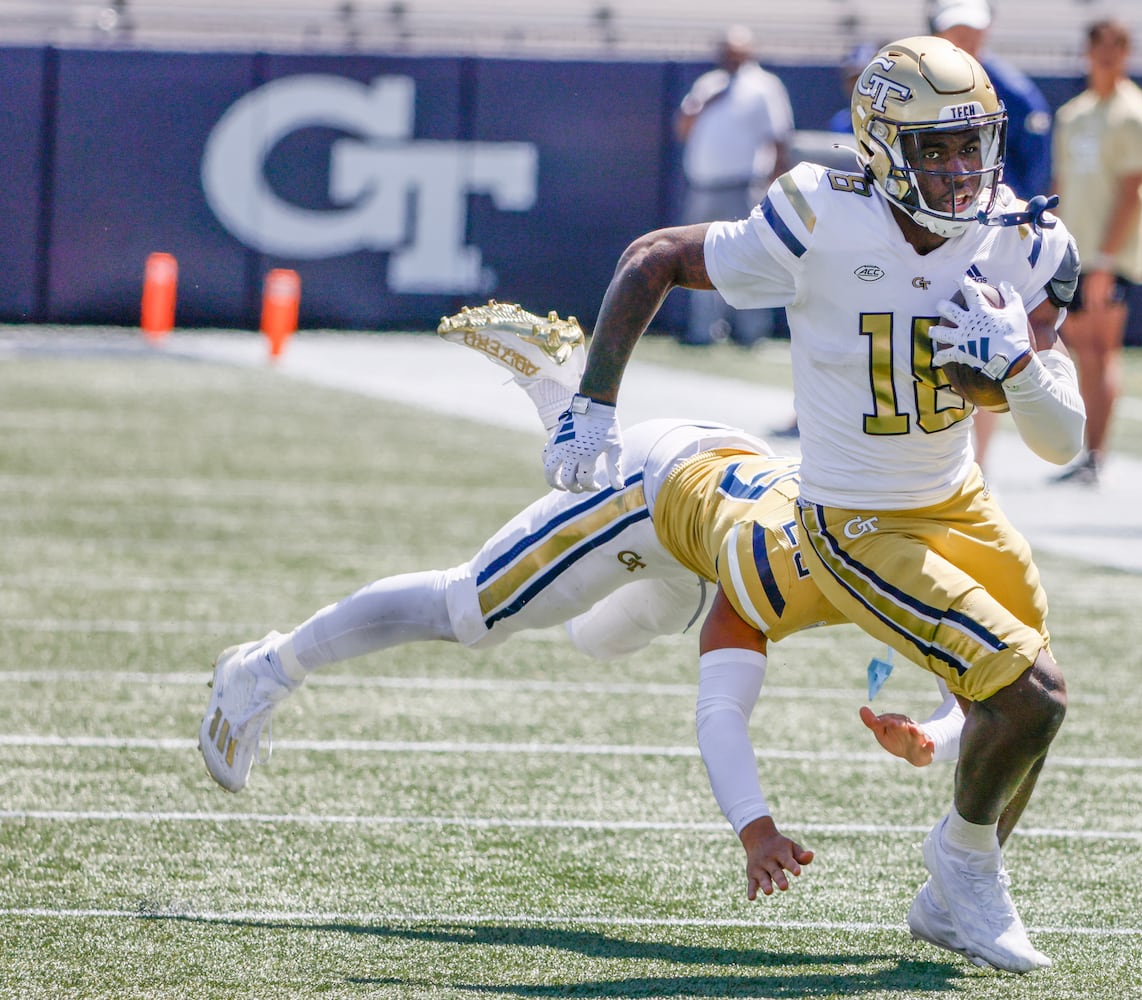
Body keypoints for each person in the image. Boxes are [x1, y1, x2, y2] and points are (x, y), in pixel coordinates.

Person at [541, 36, 1086, 973]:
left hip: (958, 500)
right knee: (1031, 696)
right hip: (853, 519)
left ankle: (955, 886)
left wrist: (1022, 367)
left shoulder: (1022, 239)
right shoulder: (819, 216)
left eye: (972, 145)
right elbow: (655, 256)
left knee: (1024, 712)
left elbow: (1063, 441)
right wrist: (591, 403)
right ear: (879, 148)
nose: (960, 172)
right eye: (934, 149)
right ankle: (964, 871)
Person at [198, 302, 965, 903]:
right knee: (469, 610)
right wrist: (755, 829)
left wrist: (936, 734)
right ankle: (265, 668)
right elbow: (720, 710)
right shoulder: (773, 573)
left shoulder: (907, 552)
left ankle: (563, 400)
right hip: (653, 494)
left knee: (603, 639)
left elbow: (975, 682)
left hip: (718, 489)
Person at [927, 0, 1055, 469]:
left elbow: (1035, 167)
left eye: (971, 29)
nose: (965, 39)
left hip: (985, 233)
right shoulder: (919, 86)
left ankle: (977, 464)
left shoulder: (1013, 90)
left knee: (983, 347)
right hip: (926, 231)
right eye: (955, 28)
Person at [1050, 18, 1142, 485]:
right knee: (1080, 353)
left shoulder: (1134, 113)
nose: (1107, 57)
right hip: (1073, 250)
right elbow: (1060, 184)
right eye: (1100, 48)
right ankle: (1083, 453)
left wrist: (1106, 260)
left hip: (1106, 258)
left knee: (1102, 350)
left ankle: (1096, 455)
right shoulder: (1073, 114)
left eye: (1117, 48)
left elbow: (1135, 189)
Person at [675, 25, 793, 347]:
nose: (729, 57)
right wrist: (703, 104)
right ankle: (703, 331)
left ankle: (750, 333)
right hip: (703, 185)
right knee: (698, 259)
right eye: (724, 51)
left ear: (748, 52)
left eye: (735, 51)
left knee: (748, 257)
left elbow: (779, 138)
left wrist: (774, 182)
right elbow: (682, 128)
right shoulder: (707, 84)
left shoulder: (765, 86)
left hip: (743, 186)